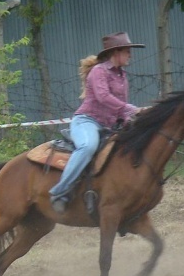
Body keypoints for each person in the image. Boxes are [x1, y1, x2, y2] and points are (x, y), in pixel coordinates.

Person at [49, 32, 143, 214]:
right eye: (127, 51)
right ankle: (59, 192)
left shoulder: (122, 76)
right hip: (87, 121)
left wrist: (130, 119)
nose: (130, 55)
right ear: (116, 52)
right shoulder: (99, 71)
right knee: (87, 147)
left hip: (109, 126)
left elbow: (119, 107)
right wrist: (132, 109)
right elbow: (103, 97)